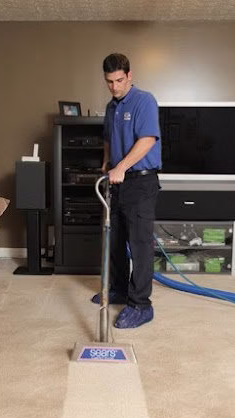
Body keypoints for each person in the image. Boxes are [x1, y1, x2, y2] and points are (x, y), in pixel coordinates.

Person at [91, 53, 162, 329]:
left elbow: (148, 140)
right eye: (109, 81)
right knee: (115, 239)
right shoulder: (111, 107)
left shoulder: (144, 101)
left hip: (140, 182)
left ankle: (141, 305)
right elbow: (109, 138)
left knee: (140, 244)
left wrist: (121, 166)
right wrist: (107, 161)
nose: (115, 86)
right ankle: (120, 289)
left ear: (129, 76)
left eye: (119, 80)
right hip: (117, 181)